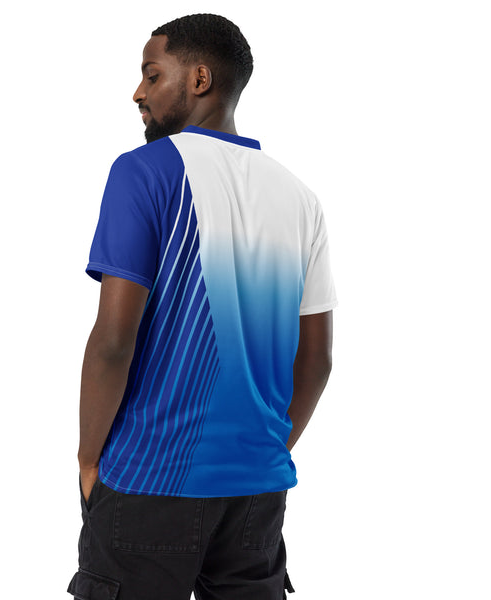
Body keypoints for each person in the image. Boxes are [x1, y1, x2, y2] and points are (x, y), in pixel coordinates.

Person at [67, 13, 337, 600]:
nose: (137, 93)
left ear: (199, 79)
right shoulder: (300, 198)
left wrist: (88, 460)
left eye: (152, 74)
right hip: (256, 495)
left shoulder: (143, 172)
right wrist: (265, 452)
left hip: (148, 480)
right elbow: (316, 360)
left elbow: (113, 341)